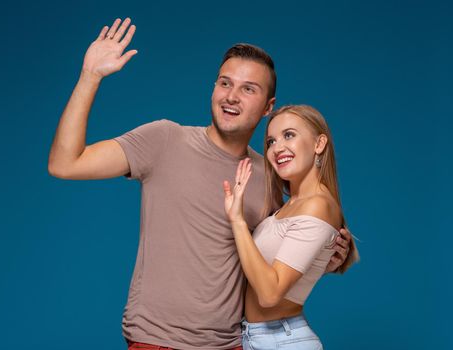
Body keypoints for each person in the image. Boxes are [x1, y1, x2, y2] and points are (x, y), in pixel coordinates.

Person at [48, 18, 352, 350]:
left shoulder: (270, 175)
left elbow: (271, 265)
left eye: (248, 88)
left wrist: (326, 259)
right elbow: (65, 164)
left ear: (268, 108)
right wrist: (90, 77)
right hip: (157, 341)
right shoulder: (164, 139)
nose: (232, 96)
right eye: (225, 83)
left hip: (232, 344)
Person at [223, 105, 359, 349]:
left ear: (319, 144)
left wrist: (238, 221)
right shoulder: (286, 208)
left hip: (282, 341)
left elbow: (269, 294)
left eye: (289, 135)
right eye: (271, 141)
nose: (277, 148)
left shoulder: (318, 205)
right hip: (254, 337)